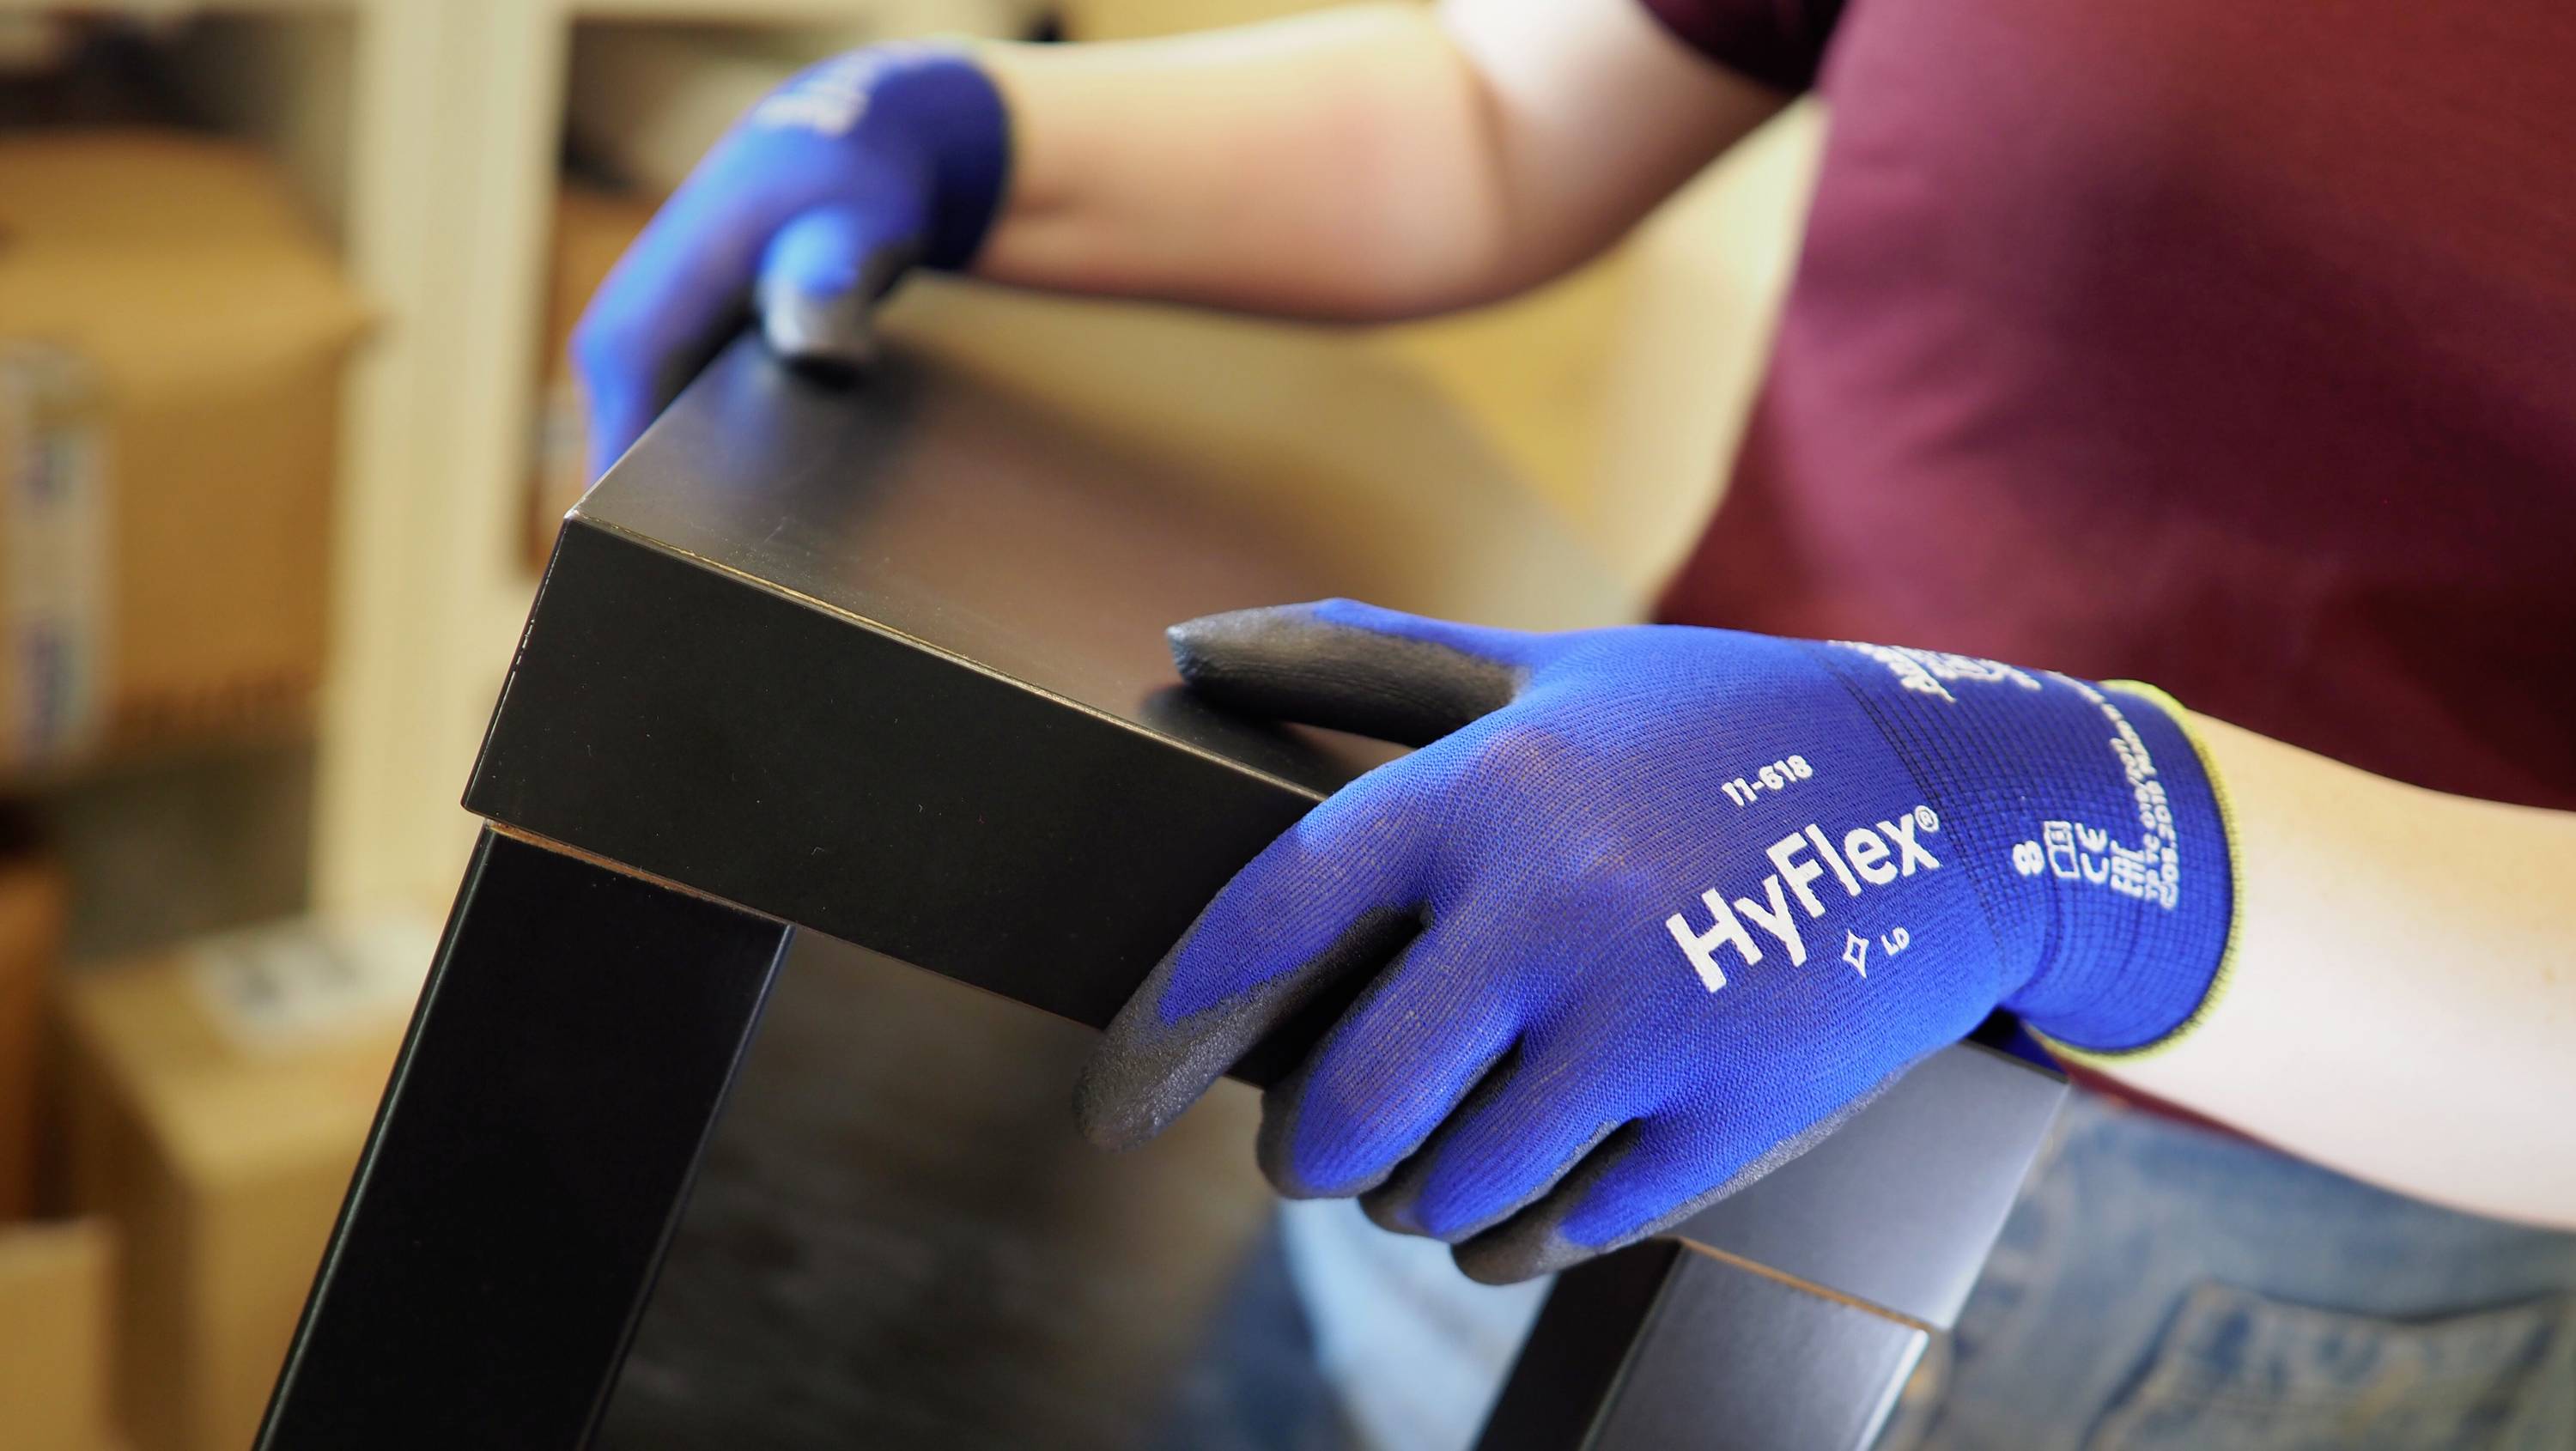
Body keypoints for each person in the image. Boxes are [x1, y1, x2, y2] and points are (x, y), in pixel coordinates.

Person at [574, 3, 2576, 1446]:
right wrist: (975, 131)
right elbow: (1497, 108)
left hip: (2242, 1265)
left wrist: (2052, 820)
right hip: (1613, 919)